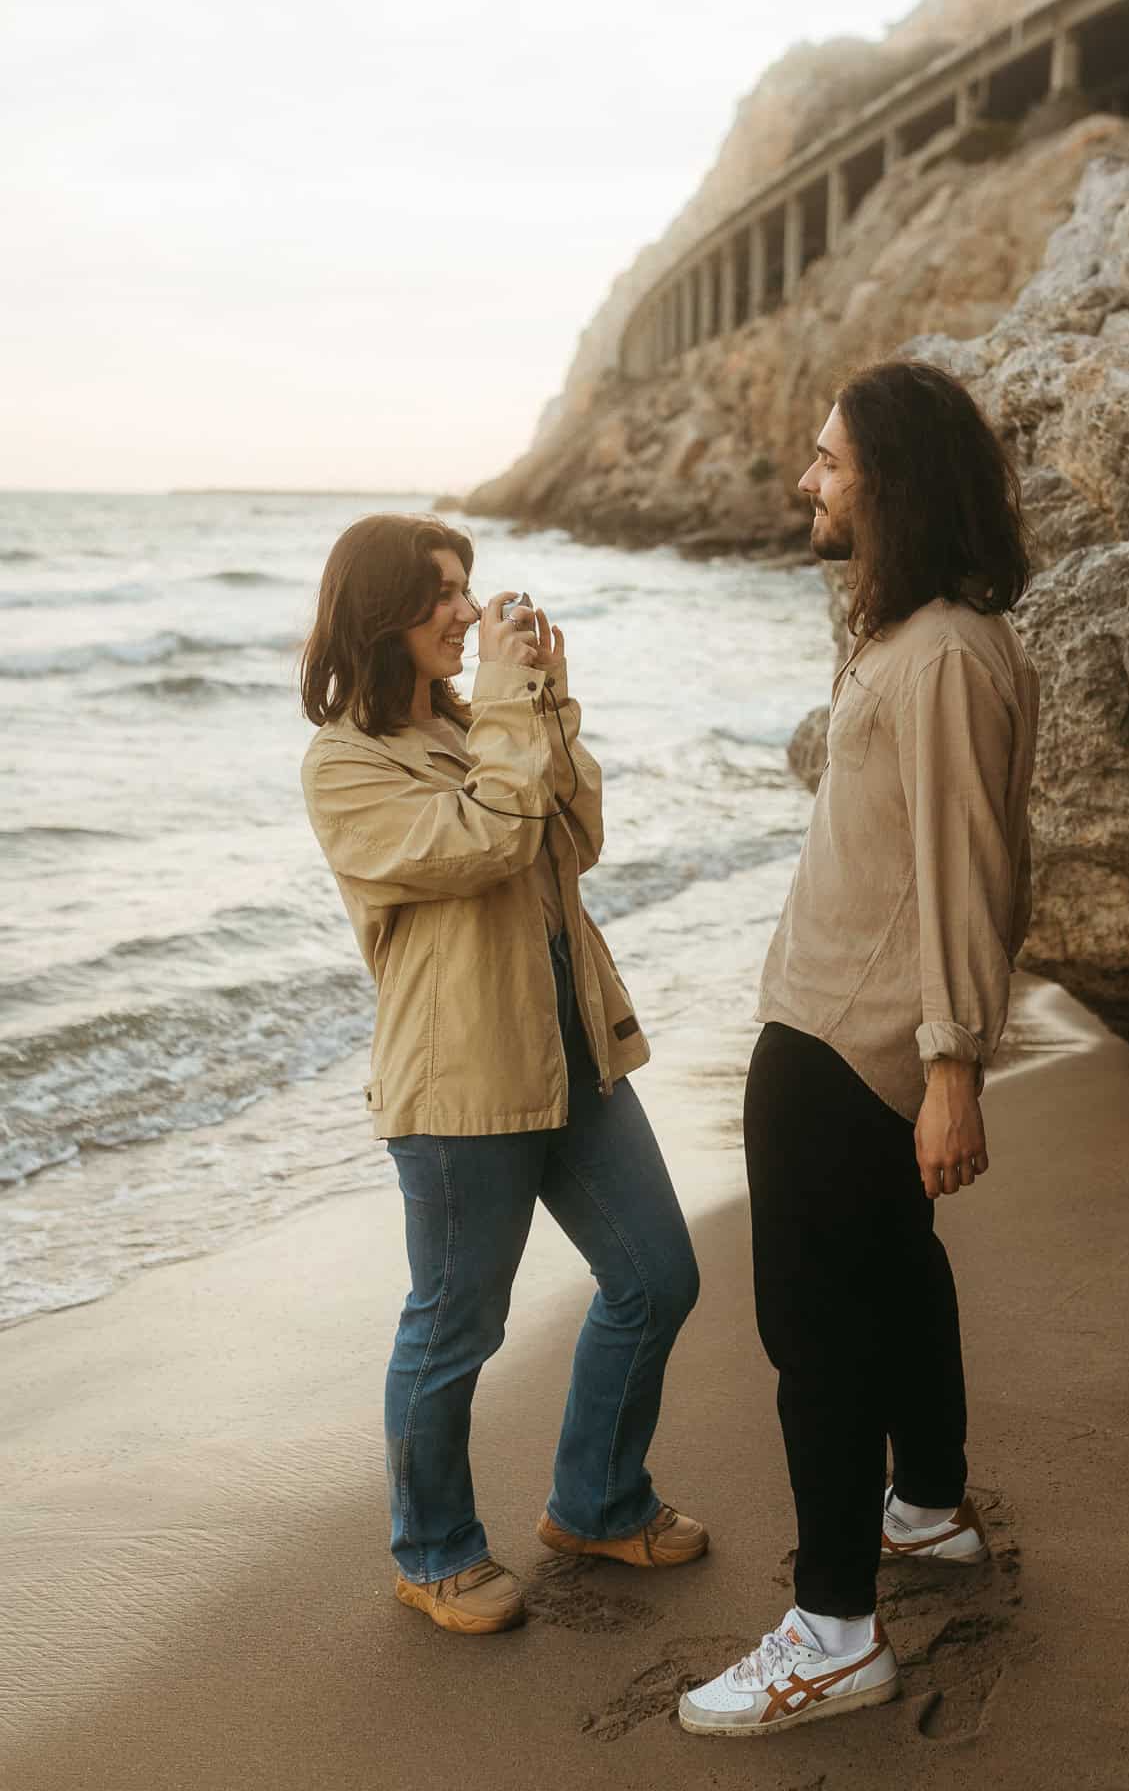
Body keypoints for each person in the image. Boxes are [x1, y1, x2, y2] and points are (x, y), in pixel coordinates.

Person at [680, 358, 1039, 1737]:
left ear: (886, 480)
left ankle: (831, 1630)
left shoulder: (943, 652)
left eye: (827, 461)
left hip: (851, 1043)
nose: (805, 481)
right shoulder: (914, 639)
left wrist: (953, 1069)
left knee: (816, 1337)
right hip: (847, 1026)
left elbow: (970, 867)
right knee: (893, 1282)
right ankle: (929, 1510)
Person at [300, 514, 705, 1638]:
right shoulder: (346, 760)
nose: (468, 610)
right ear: (378, 609)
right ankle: (433, 1552)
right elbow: (482, 840)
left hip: (572, 1045)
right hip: (463, 1083)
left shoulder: (489, 722)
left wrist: (548, 700)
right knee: (454, 1327)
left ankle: (596, 1502)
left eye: (469, 587)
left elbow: (574, 831)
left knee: (659, 1277)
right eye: (440, 590)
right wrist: (512, 708)